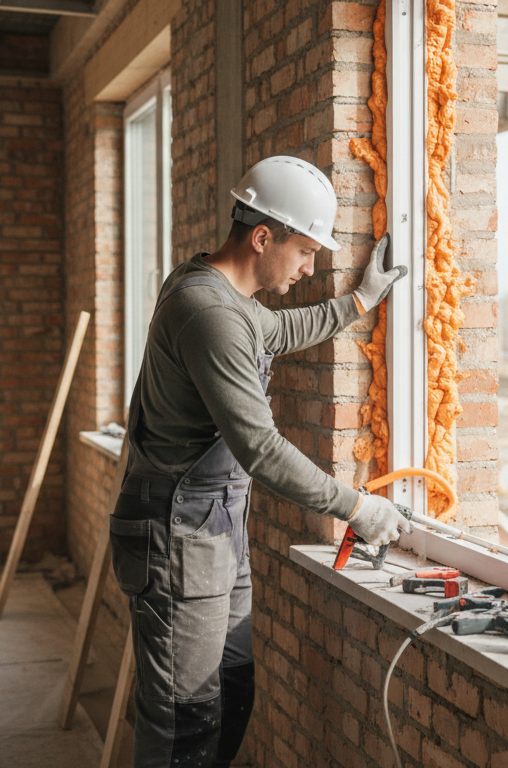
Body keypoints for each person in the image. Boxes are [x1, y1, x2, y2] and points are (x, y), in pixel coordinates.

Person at [107, 155, 413, 767]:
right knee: (182, 723)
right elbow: (261, 448)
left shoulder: (229, 299)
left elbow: (276, 331)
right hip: (177, 538)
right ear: (263, 236)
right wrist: (357, 507)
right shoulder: (209, 312)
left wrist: (360, 301)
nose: (309, 267)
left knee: (232, 694)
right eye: (304, 251)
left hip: (213, 532)